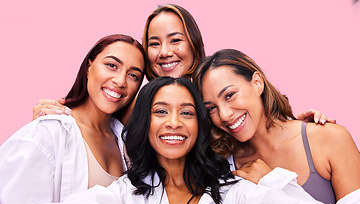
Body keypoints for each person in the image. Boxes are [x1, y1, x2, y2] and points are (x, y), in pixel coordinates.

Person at [1, 77, 359, 204]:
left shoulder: (239, 189)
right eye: (160, 111)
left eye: (187, 112)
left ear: (201, 126)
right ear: (145, 123)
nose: (174, 122)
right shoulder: (123, 197)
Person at [31, 4, 333, 125]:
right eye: (153, 43)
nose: (164, 52)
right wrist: (56, 117)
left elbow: (258, 128)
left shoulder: (217, 97)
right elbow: (91, 129)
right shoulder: (128, 107)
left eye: (175, 40)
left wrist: (296, 126)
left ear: (194, 44)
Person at [193, 49, 360, 204]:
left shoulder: (328, 138)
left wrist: (273, 183)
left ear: (257, 83)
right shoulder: (225, 167)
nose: (224, 115)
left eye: (229, 95)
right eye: (211, 108)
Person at [0, 34, 146, 204]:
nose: (121, 81)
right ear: (88, 66)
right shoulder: (47, 134)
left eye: (133, 75)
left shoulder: (126, 145)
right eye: (111, 65)